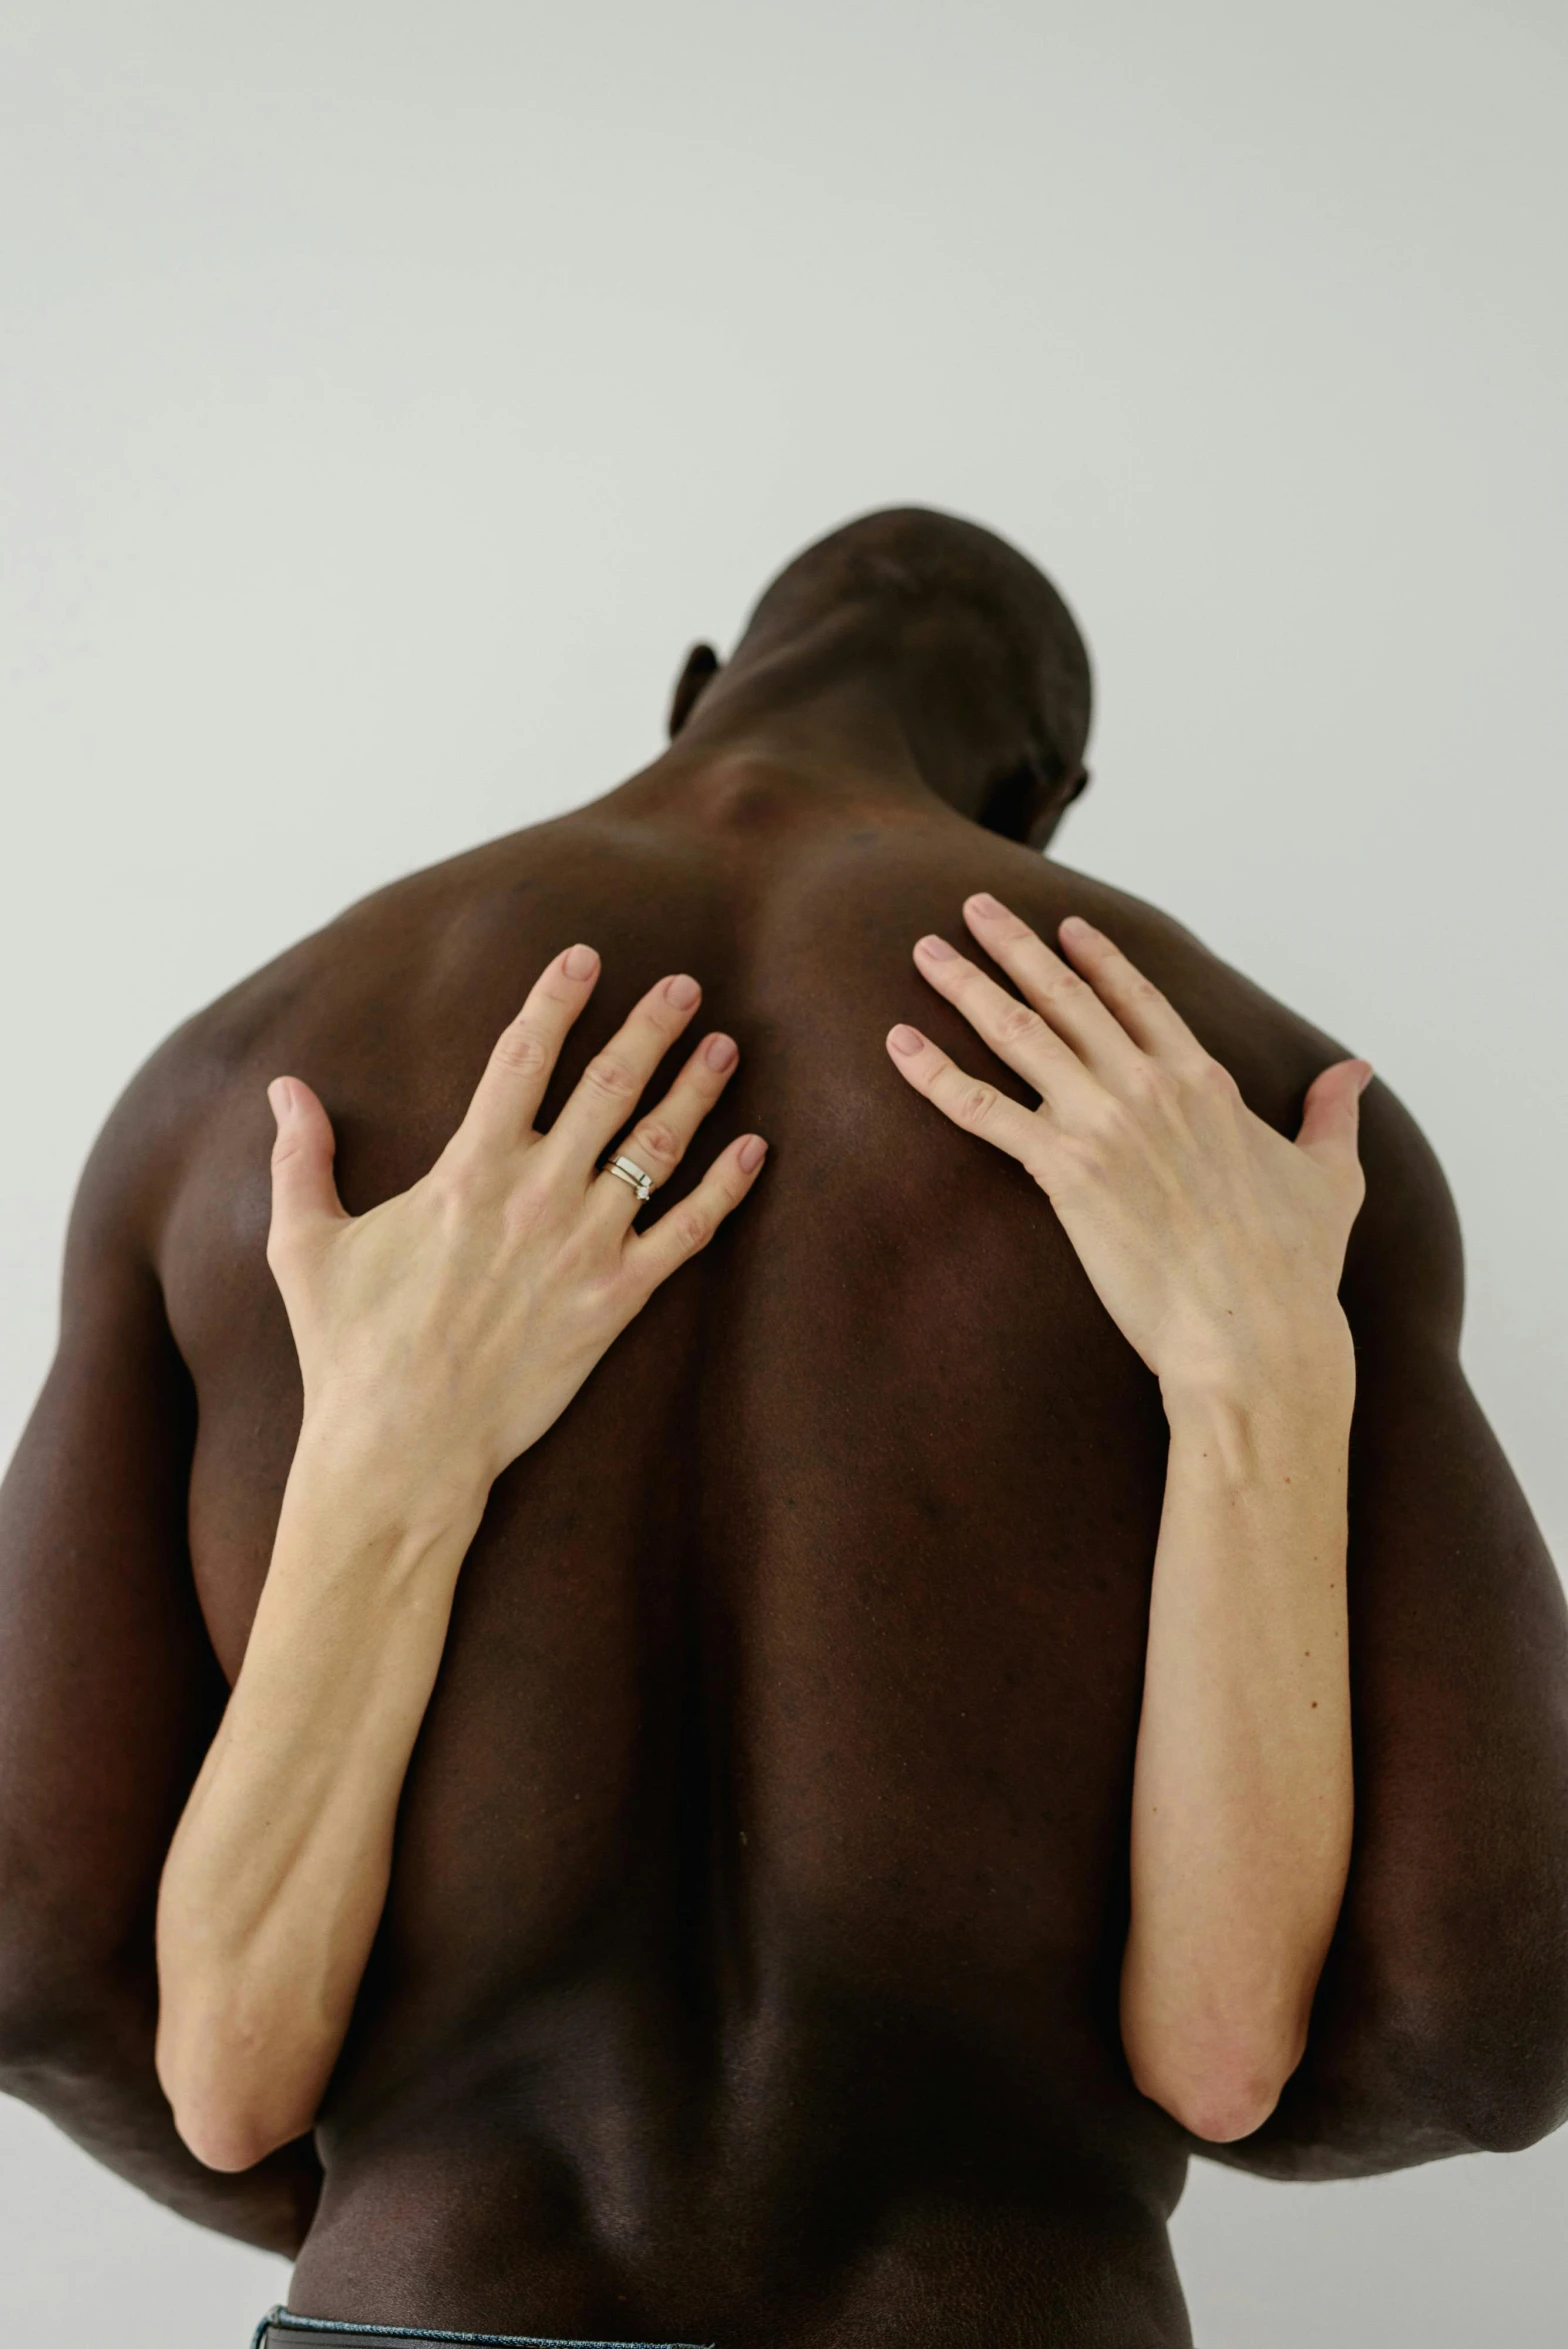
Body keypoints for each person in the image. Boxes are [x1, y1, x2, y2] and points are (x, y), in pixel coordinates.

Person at [1, 509, 1565, 2349]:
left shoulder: (235, 1099)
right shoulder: (1261, 1129)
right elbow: (1489, 2023)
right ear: (1049, 796)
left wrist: (397, 2207)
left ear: (692, 686)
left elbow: (31, 1954)